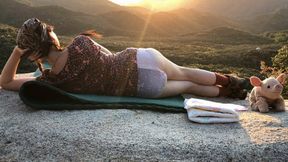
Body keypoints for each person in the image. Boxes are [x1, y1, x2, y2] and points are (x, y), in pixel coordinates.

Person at [0, 18, 250, 99]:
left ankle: (229, 95)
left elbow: (6, 82)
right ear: (51, 37)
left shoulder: (52, 80)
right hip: (139, 59)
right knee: (183, 71)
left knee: (186, 86)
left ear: (33, 52)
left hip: (139, 87)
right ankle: (230, 80)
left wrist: (16, 52)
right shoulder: (81, 42)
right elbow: (108, 55)